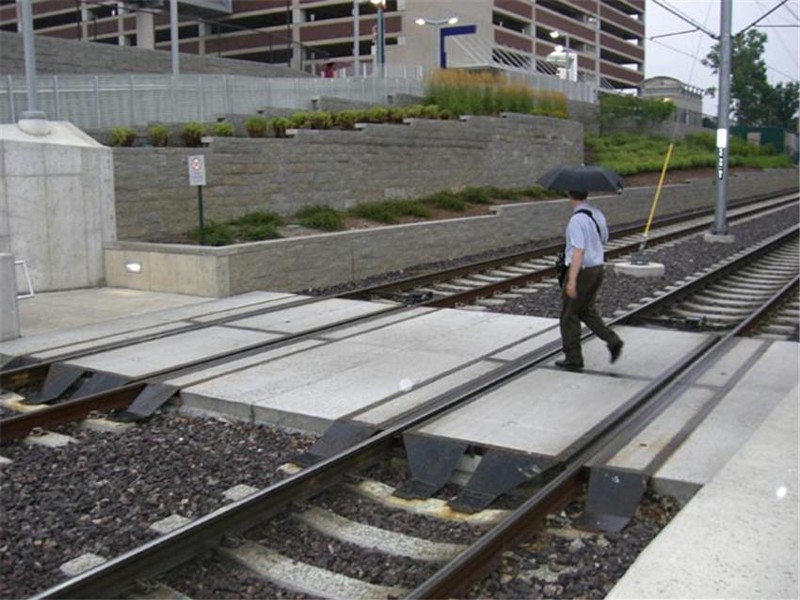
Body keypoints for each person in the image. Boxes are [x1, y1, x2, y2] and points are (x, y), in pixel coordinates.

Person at [556, 189, 623, 372]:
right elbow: (604, 238)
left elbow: (578, 251)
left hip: (582, 271)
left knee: (568, 315)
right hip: (597, 268)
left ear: (569, 195)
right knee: (585, 310)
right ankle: (613, 340)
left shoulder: (576, 220)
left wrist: (572, 280)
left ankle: (573, 358)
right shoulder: (596, 213)